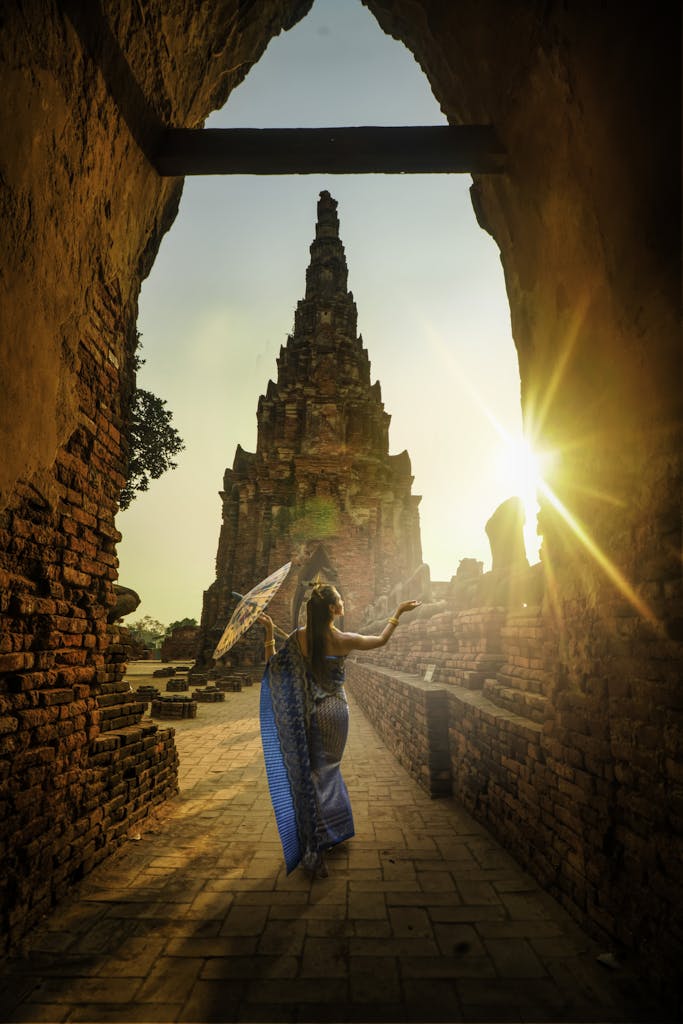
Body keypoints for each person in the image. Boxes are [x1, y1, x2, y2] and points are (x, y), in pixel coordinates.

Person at [258, 583, 421, 878]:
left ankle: (315, 836)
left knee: (310, 773)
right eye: (340, 600)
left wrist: (269, 634)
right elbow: (381, 640)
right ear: (333, 608)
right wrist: (397, 613)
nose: (343, 602)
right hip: (335, 712)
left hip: (307, 713)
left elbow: (273, 668)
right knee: (329, 770)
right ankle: (329, 833)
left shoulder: (298, 639)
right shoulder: (344, 639)